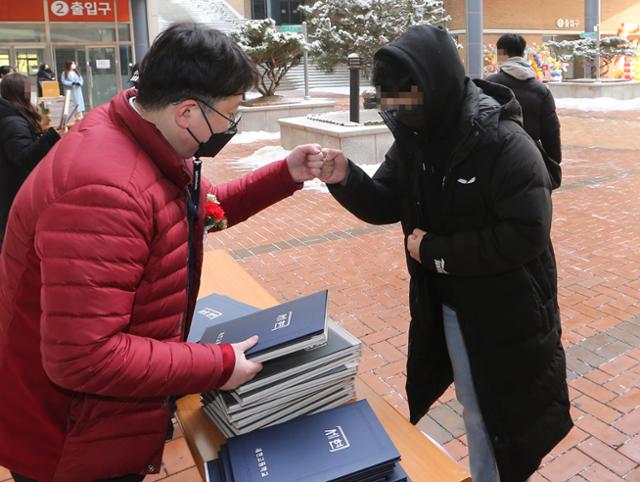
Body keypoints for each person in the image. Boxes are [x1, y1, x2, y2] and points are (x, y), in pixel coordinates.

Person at [0, 23, 324, 481]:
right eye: (229, 115)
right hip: (70, 440)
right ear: (188, 111)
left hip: (93, 424)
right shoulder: (105, 188)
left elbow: (203, 207)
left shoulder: (141, 135)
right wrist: (217, 365)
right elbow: (84, 357)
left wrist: (285, 173)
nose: (230, 128)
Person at [320, 25, 571, 482]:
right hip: (451, 303)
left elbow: (526, 234)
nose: (400, 109)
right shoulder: (418, 137)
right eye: (391, 99)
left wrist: (434, 252)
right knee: (476, 408)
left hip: (508, 306)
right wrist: (346, 178)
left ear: (434, 82)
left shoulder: (503, 143)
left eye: (406, 97)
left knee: (501, 418)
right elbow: (383, 199)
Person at [486, 34, 562, 178]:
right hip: (531, 161)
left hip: (497, 161)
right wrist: (553, 162)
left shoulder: (490, 85)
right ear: (523, 53)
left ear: (501, 54)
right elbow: (551, 132)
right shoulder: (541, 90)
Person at [0, 73, 60, 246]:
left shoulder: (12, 115)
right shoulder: (13, 122)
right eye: (29, 90)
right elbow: (23, 157)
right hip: (15, 191)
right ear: (21, 93)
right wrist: (50, 137)